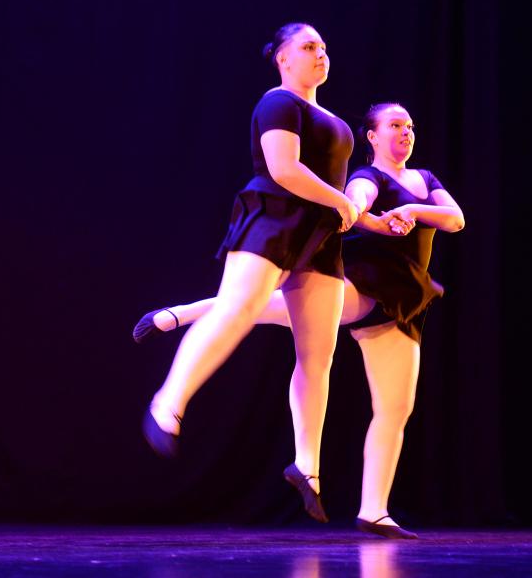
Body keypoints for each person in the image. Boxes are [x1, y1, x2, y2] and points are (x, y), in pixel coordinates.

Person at [135, 103, 465, 538]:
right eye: (395, 126)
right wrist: (380, 218)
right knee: (265, 307)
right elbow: (357, 205)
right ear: (371, 136)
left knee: (395, 408)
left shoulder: (425, 180)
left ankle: (374, 510)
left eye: (410, 126)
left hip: (406, 300)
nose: (405, 133)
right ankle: (180, 314)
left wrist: (414, 212)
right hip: (367, 284)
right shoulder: (369, 178)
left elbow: (455, 218)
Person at [141, 22, 361, 525]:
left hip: (321, 234)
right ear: (283, 58)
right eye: (308, 47)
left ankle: (307, 465)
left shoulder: (335, 120)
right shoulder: (278, 102)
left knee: (318, 353)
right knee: (238, 309)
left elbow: (341, 197)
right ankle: (168, 401)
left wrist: (371, 217)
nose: (320, 54)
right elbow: (284, 169)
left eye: (325, 47)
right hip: (275, 215)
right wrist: (341, 203)